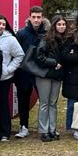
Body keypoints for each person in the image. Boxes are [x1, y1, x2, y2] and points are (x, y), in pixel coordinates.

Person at [0, 14, 25, 142]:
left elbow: (20, 55)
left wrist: (8, 69)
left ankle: (4, 132)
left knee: (2, 104)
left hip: (4, 78)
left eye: (3, 24)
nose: (1, 26)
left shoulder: (10, 39)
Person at [32, 15, 67, 141]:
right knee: (44, 103)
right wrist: (53, 63)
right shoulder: (46, 38)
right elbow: (39, 56)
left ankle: (52, 129)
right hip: (45, 75)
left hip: (57, 76)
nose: (61, 27)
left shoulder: (65, 40)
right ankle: (43, 130)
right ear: (54, 26)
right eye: (59, 24)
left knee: (53, 103)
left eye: (63, 24)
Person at [13, 7, 47, 139]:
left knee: (44, 100)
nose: (36, 20)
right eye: (34, 17)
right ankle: (24, 127)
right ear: (29, 18)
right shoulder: (21, 33)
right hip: (24, 72)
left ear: (42, 18)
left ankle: (44, 127)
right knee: (23, 100)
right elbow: (16, 53)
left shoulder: (47, 33)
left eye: (39, 17)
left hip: (41, 71)